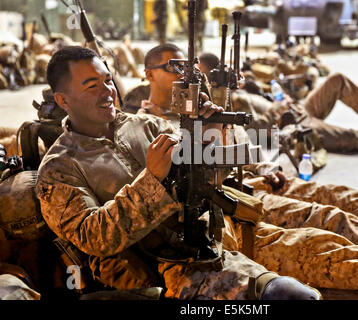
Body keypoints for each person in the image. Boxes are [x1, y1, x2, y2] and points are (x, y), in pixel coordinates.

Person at [137, 43, 358, 292]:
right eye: (171, 67)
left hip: (241, 188)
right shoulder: (143, 126)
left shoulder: (201, 106)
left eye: (185, 66)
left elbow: (235, 148)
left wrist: (236, 141)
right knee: (325, 233)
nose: (181, 74)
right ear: (148, 74)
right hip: (220, 212)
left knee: (331, 206)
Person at [35, 46, 322, 300]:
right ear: (63, 101)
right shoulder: (58, 169)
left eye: (108, 80)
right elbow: (95, 237)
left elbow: (208, 174)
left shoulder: (145, 126)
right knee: (286, 295)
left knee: (307, 272)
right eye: (91, 85)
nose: (107, 91)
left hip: (211, 238)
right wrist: (152, 179)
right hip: (165, 270)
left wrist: (208, 131)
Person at [197, 52, 358, 153]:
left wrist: (279, 97)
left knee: (337, 80)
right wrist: (276, 110)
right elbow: (253, 133)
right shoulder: (216, 106)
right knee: (352, 139)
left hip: (297, 109)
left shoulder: (233, 90)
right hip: (291, 126)